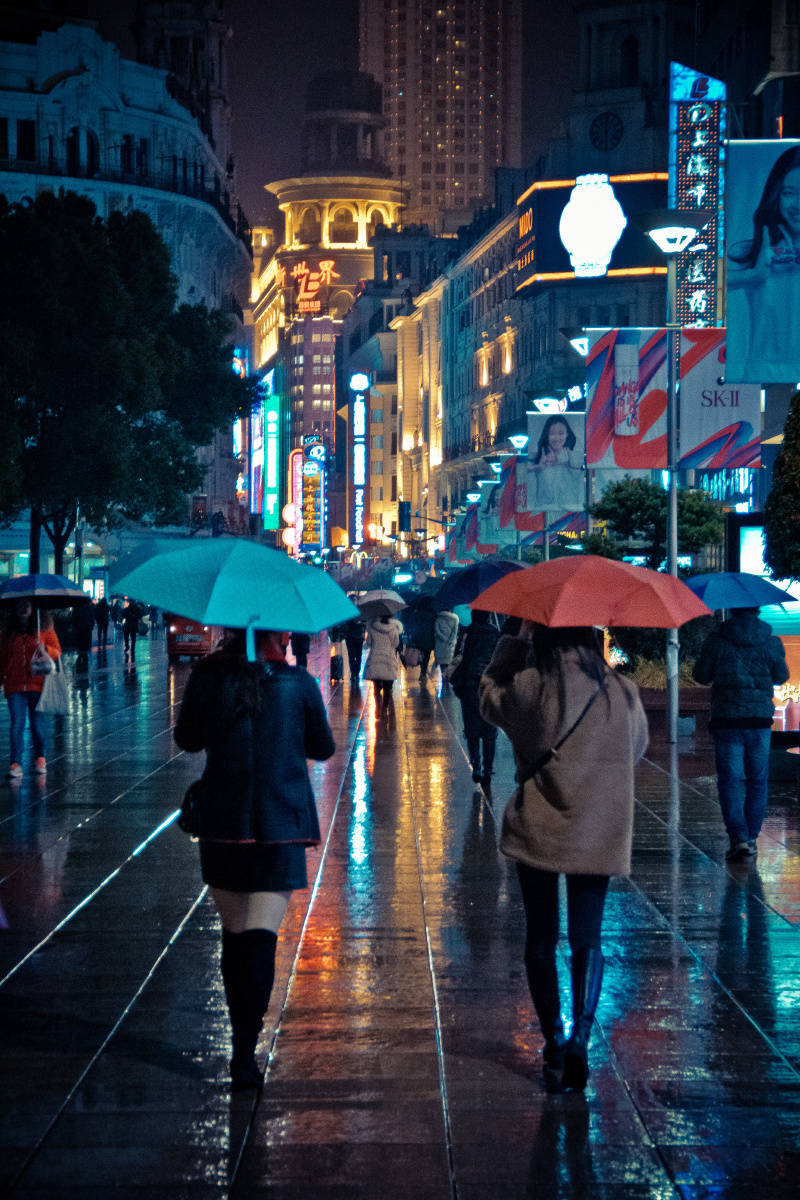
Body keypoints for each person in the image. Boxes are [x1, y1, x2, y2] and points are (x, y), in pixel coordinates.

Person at [480, 621, 648, 1091]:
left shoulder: (533, 687)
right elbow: (637, 749)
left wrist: (514, 641)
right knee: (587, 938)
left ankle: (553, 1038)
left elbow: (488, 696)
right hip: (599, 829)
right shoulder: (623, 691)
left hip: (541, 828)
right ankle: (581, 1036)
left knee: (541, 936)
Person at [174, 627, 335, 1089]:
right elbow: (321, 747)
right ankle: (247, 1051)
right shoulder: (298, 682)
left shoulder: (208, 677)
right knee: (262, 939)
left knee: (235, 935)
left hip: (223, 826)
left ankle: (239, 1045)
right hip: (280, 826)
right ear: (277, 633)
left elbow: (187, 739)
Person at [692, 606, 789, 861]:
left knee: (729, 780)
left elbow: (700, 675)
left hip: (727, 719)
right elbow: (781, 676)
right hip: (758, 720)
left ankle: (738, 839)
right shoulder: (771, 642)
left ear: (732, 611)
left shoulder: (716, 641)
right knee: (757, 781)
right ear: (757, 611)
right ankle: (751, 838)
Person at [728, 145, 800, 381]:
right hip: (766, 373)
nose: (797, 204)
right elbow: (704, 284)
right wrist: (755, 275)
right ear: (776, 194)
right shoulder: (756, 250)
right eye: (789, 193)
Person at [0, 599, 62, 777]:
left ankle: (40, 758)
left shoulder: (44, 628)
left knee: (37, 724)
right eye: (19, 604)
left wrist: (46, 649)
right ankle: (15, 763)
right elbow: (2, 659)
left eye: (27, 604)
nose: (23, 607)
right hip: (15, 685)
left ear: (34, 607)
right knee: (17, 725)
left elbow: (57, 651)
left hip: (39, 684)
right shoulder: (7, 632)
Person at [450, 610, 500, 785]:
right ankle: (487, 769)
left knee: (471, 728)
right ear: (487, 616)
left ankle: (476, 765)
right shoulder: (495, 632)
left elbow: (458, 654)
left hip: (469, 684)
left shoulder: (468, 632)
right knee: (489, 729)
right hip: (489, 683)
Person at [529, 415, 583, 513]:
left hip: (569, 513)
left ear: (567, 434)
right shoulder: (539, 456)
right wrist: (538, 467)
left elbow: (587, 468)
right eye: (551, 433)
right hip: (542, 512)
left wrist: (569, 463)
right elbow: (520, 471)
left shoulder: (574, 456)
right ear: (547, 435)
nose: (556, 438)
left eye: (561, 433)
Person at [363, 613, 403, 714]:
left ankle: (377, 707)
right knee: (387, 687)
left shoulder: (373, 627)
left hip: (375, 657)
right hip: (389, 659)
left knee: (376, 686)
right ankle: (384, 708)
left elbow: (369, 643)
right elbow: (395, 644)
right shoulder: (394, 629)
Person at [407, 595, 437, 677]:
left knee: (420, 653)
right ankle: (423, 670)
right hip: (430, 637)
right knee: (427, 654)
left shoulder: (418, 613)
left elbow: (414, 625)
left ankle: (422, 668)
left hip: (419, 636)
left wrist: (413, 637)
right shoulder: (434, 614)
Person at [433, 608, 460, 683]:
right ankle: (447, 674)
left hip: (440, 644)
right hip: (451, 644)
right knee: (449, 660)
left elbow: (437, 630)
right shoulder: (455, 619)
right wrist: (450, 640)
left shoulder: (438, 619)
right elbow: (455, 631)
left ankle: (443, 674)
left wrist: (443, 638)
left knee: (442, 661)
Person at [72, 599, 95, 672]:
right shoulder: (88, 607)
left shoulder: (76, 607)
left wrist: (74, 625)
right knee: (85, 640)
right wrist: (91, 625)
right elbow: (92, 617)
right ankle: (84, 652)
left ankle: (81, 651)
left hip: (79, 627)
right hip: (86, 627)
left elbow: (73, 618)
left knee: (80, 639)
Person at [343, 616, 365, 683]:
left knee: (353, 655)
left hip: (351, 636)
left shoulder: (349, 612)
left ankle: (354, 673)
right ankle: (355, 673)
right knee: (356, 656)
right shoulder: (360, 612)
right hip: (355, 636)